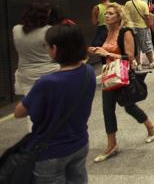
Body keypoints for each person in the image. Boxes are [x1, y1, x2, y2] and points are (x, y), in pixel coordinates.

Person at [13, 23, 96, 183]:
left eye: (48, 45)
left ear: (55, 49)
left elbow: (19, 113)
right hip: (79, 143)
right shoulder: (88, 72)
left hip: (51, 151)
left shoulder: (48, 83)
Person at [89, 3, 154, 163]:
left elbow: (130, 57)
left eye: (111, 14)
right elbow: (103, 50)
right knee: (107, 109)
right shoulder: (106, 32)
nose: (107, 16)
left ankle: (150, 126)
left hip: (123, 73)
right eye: (106, 14)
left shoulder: (126, 32)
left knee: (129, 106)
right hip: (109, 73)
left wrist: (107, 53)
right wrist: (95, 50)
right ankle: (112, 144)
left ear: (119, 17)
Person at [13, 3, 59, 97]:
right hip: (50, 72)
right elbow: (57, 53)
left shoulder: (16, 29)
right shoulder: (50, 30)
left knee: (31, 104)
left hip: (25, 74)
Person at [124, 0, 154, 69]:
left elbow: (125, 15)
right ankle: (151, 62)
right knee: (147, 44)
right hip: (142, 27)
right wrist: (148, 25)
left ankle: (139, 64)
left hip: (131, 28)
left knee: (136, 46)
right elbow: (146, 16)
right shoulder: (143, 3)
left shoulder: (127, 3)